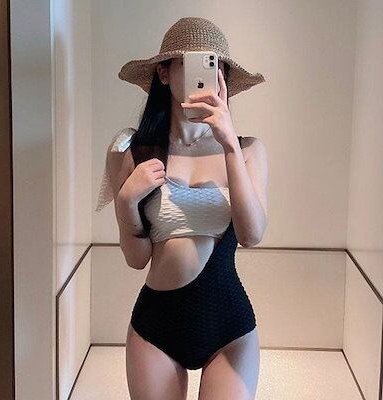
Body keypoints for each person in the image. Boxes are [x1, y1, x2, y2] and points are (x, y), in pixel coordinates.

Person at [96, 16, 268, 400]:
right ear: (164, 73)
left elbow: (252, 234)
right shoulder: (133, 150)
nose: (203, 76)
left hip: (229, 326)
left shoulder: (248, 150)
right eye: (189, 64)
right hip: (157, 325)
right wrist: (126, 201)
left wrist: (228, 144)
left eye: (213, 65)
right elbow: (136, 259)